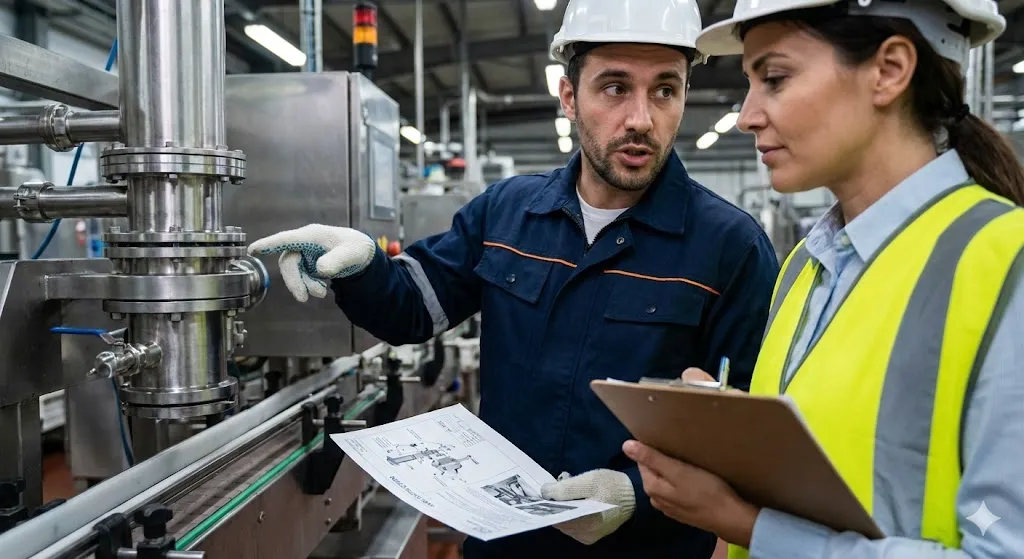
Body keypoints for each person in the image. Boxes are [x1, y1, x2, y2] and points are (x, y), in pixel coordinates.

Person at [247, 0, 779, 556]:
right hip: (504, 541)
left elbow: (745, 436)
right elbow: (411, 308)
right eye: (615, 87)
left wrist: (635, 495)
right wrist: (363, 267)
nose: (641, 119)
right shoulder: (507, 214)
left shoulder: (729, 247)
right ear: (570, 97)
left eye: (665, 90)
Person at [621, 1, 1024, 558]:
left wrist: (750, 525)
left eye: (775, 78)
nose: (747, 115)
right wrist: (727, 437)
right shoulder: (805, 268)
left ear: (888, 71)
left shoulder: (1006, 262)